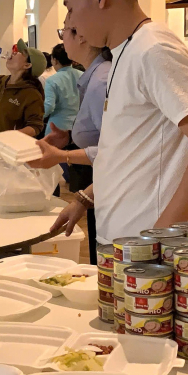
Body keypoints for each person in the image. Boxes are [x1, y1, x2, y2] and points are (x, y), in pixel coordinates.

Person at [49, 0, 188, 244]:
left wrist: (157, 239)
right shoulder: (125, 52)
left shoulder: (154, 49)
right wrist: (84, 199)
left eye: (70, 8)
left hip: (148, 252)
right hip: (125, 244)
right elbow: (124, 151)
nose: (70, 21)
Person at [29, 30, 112, 263]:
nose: (62, 37)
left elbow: (117, 149)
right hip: (98, 172)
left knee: (104, 249)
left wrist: (63, 155)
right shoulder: (89, 75)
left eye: (65, 30)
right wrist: (69, 137)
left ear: (82, 36)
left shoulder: (101, 80)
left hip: (108, 179)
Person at [43, 43, 84, 136]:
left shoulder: (52, 80)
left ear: (54, 60)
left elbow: (49, 106)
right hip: (79, 127)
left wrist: (37, 118)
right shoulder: (83, 75)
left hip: (57, 126)